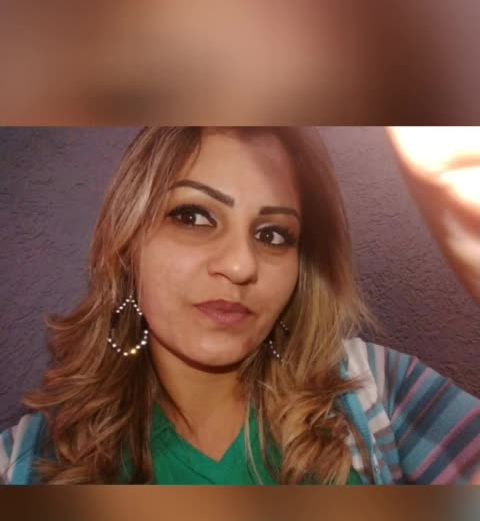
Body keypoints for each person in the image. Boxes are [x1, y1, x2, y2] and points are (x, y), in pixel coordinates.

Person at [1, 126, 479, 485]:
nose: (239, 265)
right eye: (193, 216)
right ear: (127, 243)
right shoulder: (24, 459)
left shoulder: (377, 388)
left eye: (273, 234)